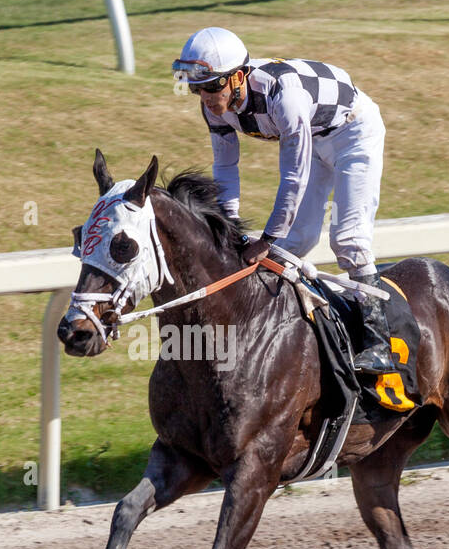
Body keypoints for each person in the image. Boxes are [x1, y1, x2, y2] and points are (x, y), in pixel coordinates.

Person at [172, 26, 418, 394]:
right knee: (295, 243)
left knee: (348, 239)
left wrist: (266, 238)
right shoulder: (217, 108)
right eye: (196, 87)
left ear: (238, 77)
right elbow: (225, 169)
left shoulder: (283, 97)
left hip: (355, 133)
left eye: (211, 86)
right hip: (318, 138)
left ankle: (378, 342)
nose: (204, 97)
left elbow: (294, 176)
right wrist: (229, 224)